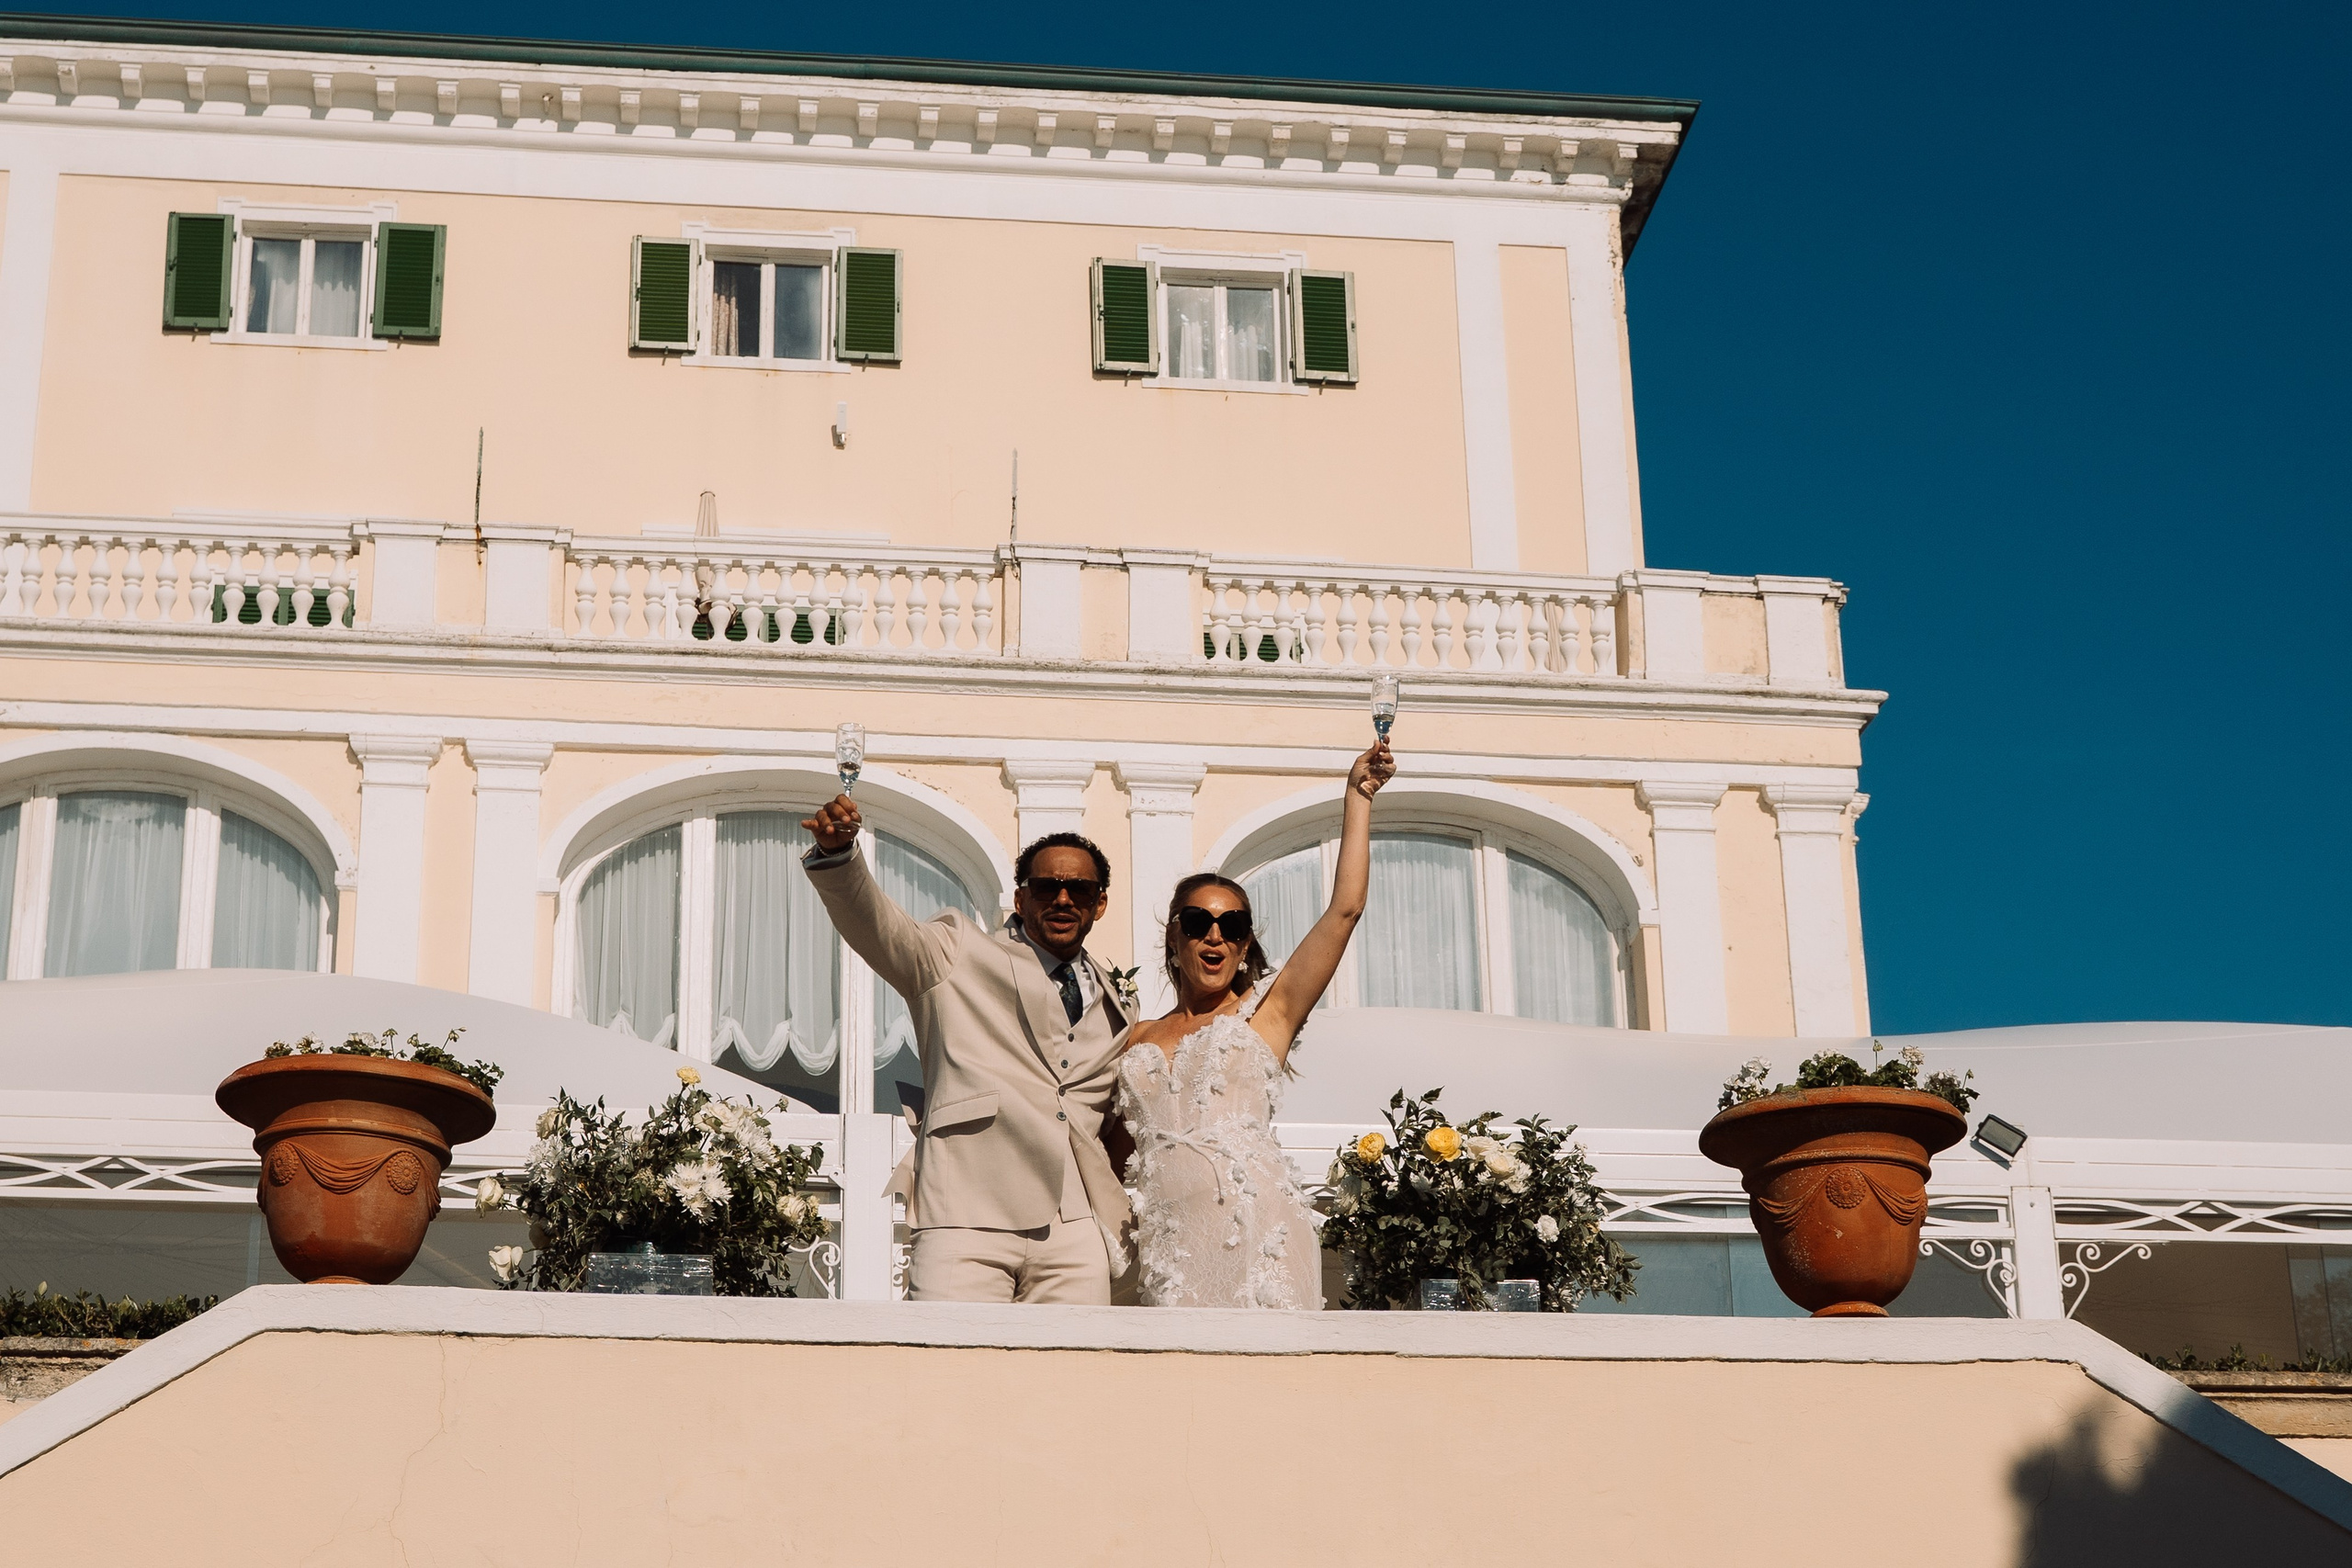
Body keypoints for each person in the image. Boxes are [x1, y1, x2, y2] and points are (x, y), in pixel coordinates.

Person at [799, 801, 1131, 1304]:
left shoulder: (1117, 998)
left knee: (1072, 1377)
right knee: (950, 1372)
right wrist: (839, 854)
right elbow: (880, 926)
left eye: (1079, 890)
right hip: (966, 1211)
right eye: (1047, 888)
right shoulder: (956, 951)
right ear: (1020, 898)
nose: (1063, 900)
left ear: (1099, 904)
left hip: (1075, 1223)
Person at [1117, 738, 1395, 1308]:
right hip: (1167, 1245)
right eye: (1197, 922)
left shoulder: (1266, 1017)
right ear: (1174, 936)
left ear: (1245, 944)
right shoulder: (1134, 1036)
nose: (1214, 935)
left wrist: (1358, 798)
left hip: (1255, 1233)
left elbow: (1345, 911)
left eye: (1232, 925)